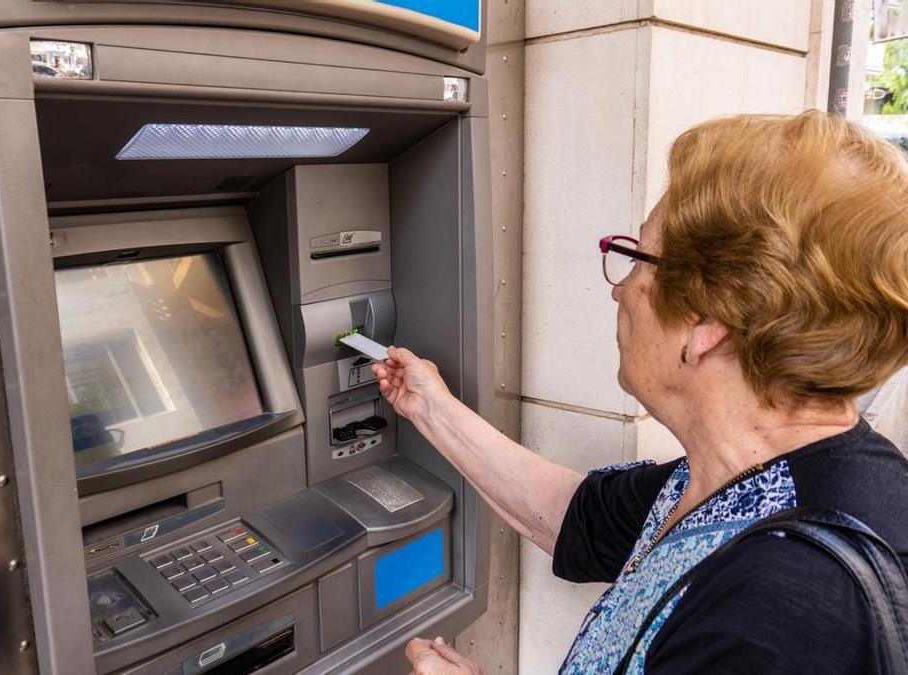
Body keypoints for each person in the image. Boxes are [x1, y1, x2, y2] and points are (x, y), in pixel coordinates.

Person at [375, 111, 908, 674]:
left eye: (637, 258)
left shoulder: (783, 615)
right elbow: (577, 518)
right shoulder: (756, 478)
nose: (620, 291)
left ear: (707, 322)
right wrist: (430, 406)